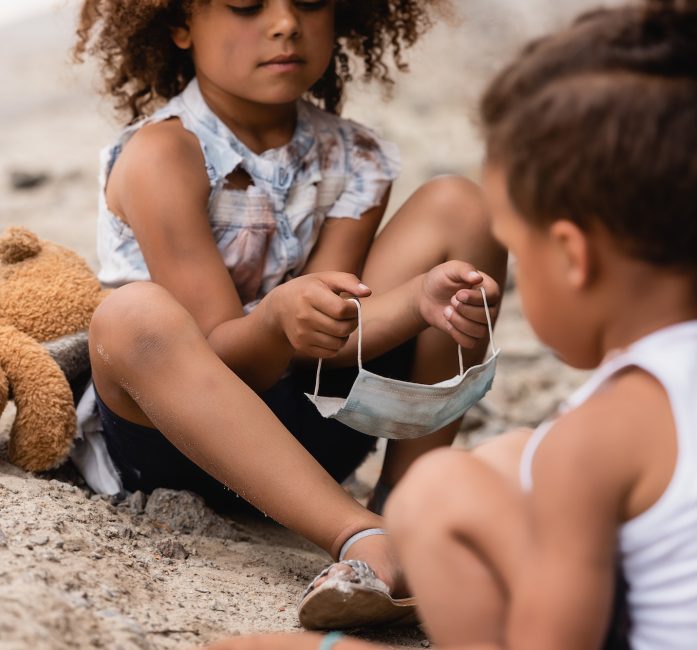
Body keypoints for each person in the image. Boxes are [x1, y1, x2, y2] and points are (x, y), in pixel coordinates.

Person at [201, 0, 697, 648]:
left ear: (571, 256)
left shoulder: (595, 445)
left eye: (520, 246)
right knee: (481, 472)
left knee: (425, 503)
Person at [71, 0, 507, 631]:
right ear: (180, 24)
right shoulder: (162, 155)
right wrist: (276, 319)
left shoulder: (354, 157)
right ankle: (359, 533)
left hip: (313, 421)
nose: (285, 23)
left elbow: (332, 337)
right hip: (177, 440)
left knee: (460, 206)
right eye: (247, 4)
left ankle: (406, 504)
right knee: (130, 316)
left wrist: (418, 301)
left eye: (309, 1)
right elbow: (221, 356)